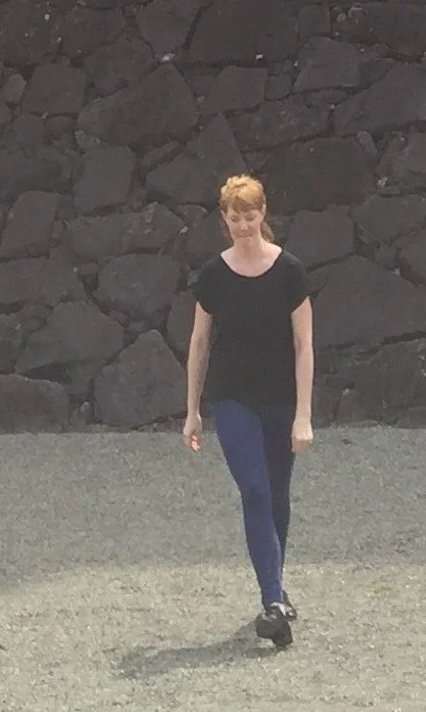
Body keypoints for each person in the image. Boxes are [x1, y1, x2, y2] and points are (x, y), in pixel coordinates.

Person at [182, 171, 314, 649]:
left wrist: (304, 414)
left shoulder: (289, 271)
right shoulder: (214, 275)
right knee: (254, 490)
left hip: (280, 397)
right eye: (234, 217)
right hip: (232, 397)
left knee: (277, 495)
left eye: (250, 215)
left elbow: (304, 346)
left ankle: (276, 587)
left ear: (263, 215)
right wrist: (192, 410)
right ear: (225, 219)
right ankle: (272, 602)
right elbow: (199, 342)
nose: (243, 224)